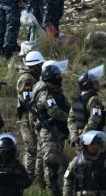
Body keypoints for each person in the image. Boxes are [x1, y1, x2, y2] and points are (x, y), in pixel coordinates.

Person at [33, 62, 70, 196]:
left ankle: (42, 188)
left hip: (53, 130)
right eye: (57, 76)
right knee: (51, 163)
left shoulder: (52, 90)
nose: (60, 78)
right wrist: (70, 117)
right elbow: (54, 111)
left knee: (46, 160)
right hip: (49, 132)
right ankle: (51, 190)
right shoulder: (46, 93)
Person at [63, 131, 106, 196]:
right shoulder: (76, 161)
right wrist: (66, 194)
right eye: (92, 144)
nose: (95, 146)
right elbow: (67, 178)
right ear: (85, 145)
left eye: (97, 143)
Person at [17, 49, 45, 182]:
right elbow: (27, 101)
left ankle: (33, 178)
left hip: (31, 116)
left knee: (34, 148)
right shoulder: (27, 79)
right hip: (28, 117)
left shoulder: (32, 77)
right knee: (31, 148)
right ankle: (28, 179)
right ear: (35, 65)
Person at [68, 68, 106, 145]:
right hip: (92, 138)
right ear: (87, 84)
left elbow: (70, 120)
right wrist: (84, 134)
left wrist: (74, 135)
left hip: (79, 139)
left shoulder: (76, 99)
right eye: (95, 82)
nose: (98, 83)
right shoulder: (94, 99)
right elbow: (95, 118)